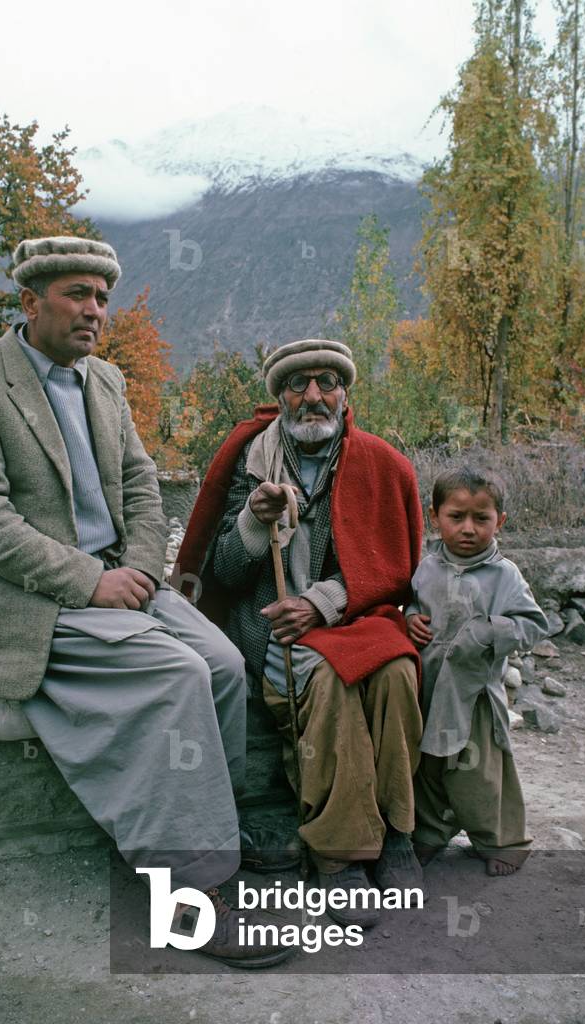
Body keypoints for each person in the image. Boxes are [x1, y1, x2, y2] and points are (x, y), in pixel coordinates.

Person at [0, 235, 289, 967]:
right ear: (31, 303)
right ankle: (186, 897)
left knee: (220, 661)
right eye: (77, 295)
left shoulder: (107, 382)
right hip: (29, 599)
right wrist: (90, 583)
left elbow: (141, 487)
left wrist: (135, 568)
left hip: (116, 578)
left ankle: (210, 833)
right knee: (178, 676)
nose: (95, 310)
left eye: (102, 297)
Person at [176, 339, 425, 929]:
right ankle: (338, 854)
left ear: (345, 393)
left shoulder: (380, 464)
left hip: (357, 619)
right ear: (280, 397)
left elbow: (393, 566)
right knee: (329, 681)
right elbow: (221, 575)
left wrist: (322, 602)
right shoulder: (249, 461)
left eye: (326, 382)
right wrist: (252, 523)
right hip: (273, 631)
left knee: (395, 673)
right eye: (298, 385)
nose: (313, 396)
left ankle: (398, 833)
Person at [405, 465, 548, 877]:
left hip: (476, 699)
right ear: (435, 517)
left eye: (481, 519)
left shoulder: (505, 575)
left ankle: (503, 840)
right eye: (456, 517)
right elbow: (411, 603)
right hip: (429, 691)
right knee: (428, 768)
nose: (468, 528)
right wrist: (410, 617)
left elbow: (533, 625)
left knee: (478, 774)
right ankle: (430, 833)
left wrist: (490, 630)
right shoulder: (427, 567)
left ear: (499, 521)